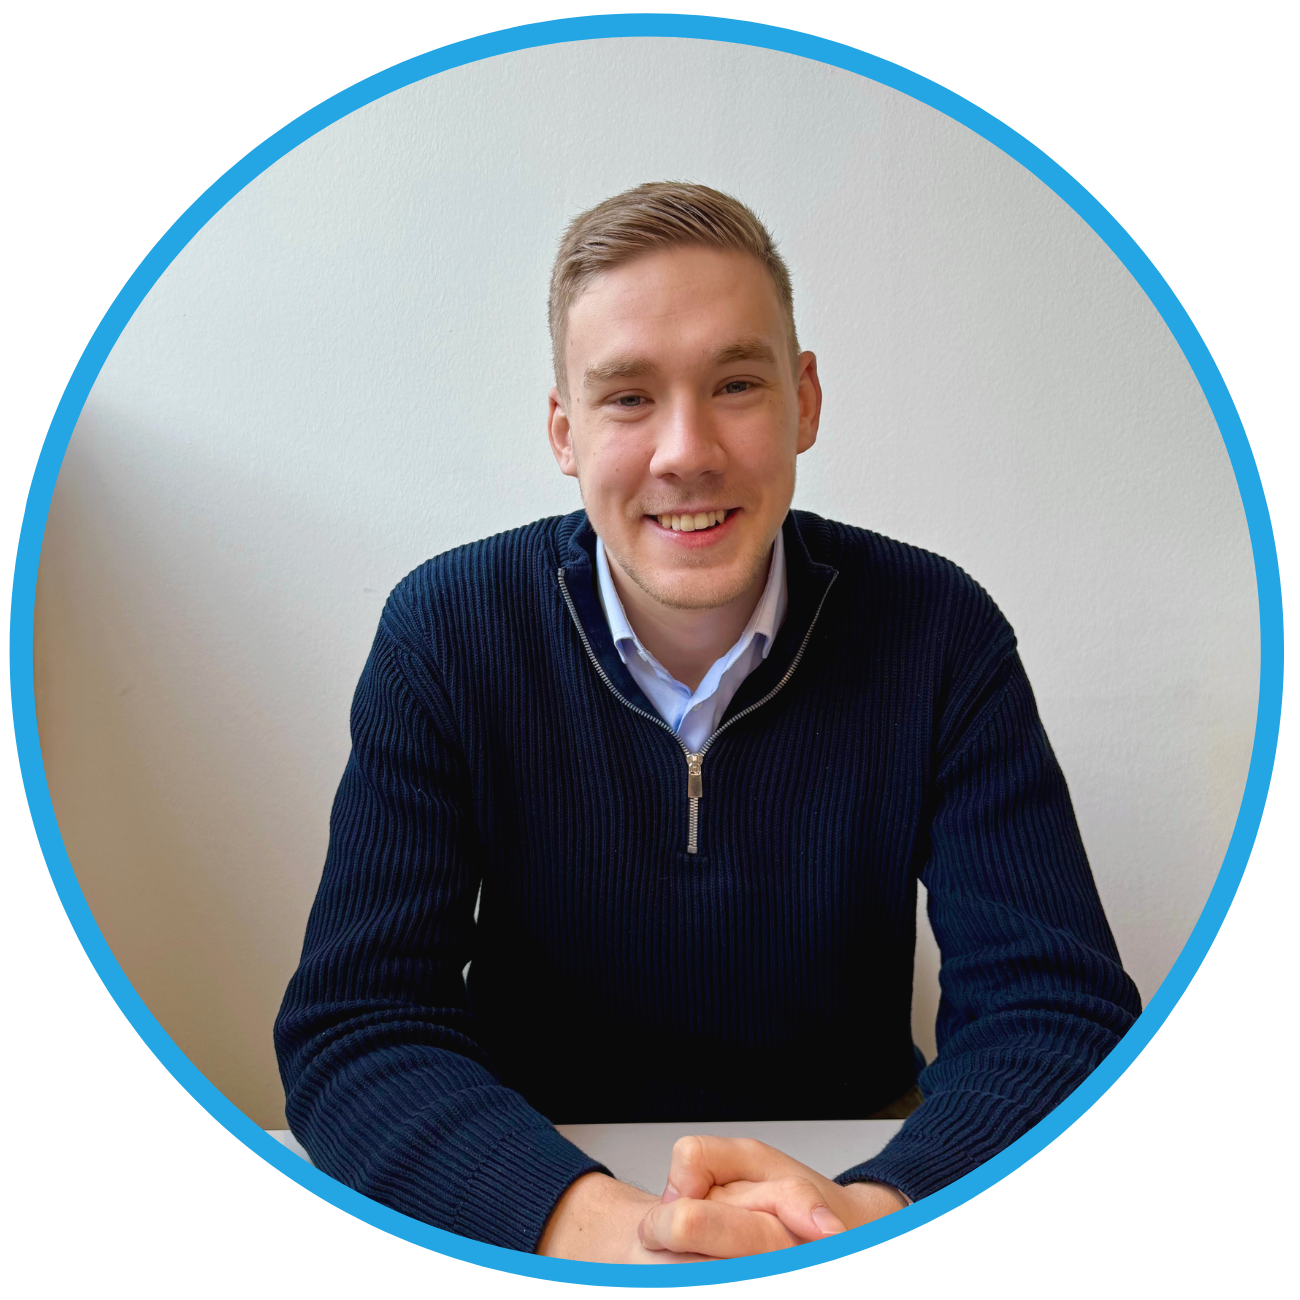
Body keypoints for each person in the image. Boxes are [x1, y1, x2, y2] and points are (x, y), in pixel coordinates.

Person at [273, 182, 1142, 1263]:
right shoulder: (445, 634)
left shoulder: (939, 631)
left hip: (856, 1176)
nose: (685, 450)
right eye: (628, 398)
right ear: (565, 431)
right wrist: (613, 1232)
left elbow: (1058, 1014)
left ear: (804, 401)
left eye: (735, 384)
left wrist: (866, 1215)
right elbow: (356, 1027)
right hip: (530, 1184)